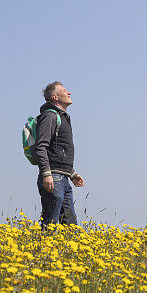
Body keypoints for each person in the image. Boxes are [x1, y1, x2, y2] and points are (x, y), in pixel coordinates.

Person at [34, 81, 84, 229]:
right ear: (55, 97)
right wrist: (46, 173)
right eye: (65, 90)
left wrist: (72, 173)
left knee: (71, 229)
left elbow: (57, 151)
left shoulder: (63, 117)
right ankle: (42, 252)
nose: (69, 93)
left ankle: (67, 253)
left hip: (63, 179)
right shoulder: (49, 116)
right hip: (53, 179)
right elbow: (41, 147)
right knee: (49, 226)